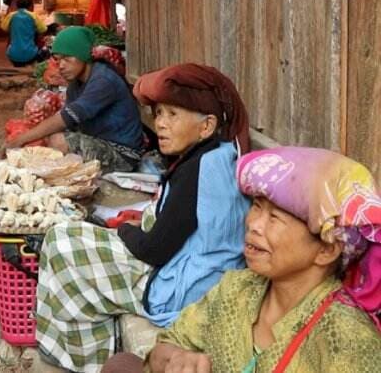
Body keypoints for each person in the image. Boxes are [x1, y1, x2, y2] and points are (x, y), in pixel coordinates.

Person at [35, 63, 252, 372]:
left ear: (206, 126)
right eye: (159, 113)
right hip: (188, 272)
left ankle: (86, 360)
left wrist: (124, 229)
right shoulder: (214, 155)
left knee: (62, 243)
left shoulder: (202, 168)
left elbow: (154, 250)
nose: (161, 124)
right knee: (68, 234)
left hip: (185, 290)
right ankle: (85, 350)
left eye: (172, 115)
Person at [103, 146, 381, 373]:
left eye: (275, 218)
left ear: (326, 250)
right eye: (257, 207)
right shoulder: (237, 289)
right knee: (121, 365)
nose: (254, 224)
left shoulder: (348, 340)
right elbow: (167, 344)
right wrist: (175, 358)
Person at [5, 26, 144, 173]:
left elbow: (65, 119)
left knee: (58, 142)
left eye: (67, 58)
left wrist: (21, 139)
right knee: (44, 141)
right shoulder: (76, 83)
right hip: (98, 140)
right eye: (58, 60)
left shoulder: (103, 80)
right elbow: (68, 121)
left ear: (83, 57)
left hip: (122, 154)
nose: (61, 66)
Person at [0, 0, 47, 67]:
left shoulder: (11, 15)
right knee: (45, 50)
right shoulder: (33, 16)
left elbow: (3, 28)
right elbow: (43, 29)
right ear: (30, 6)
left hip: (13, 54)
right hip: (31, 54)